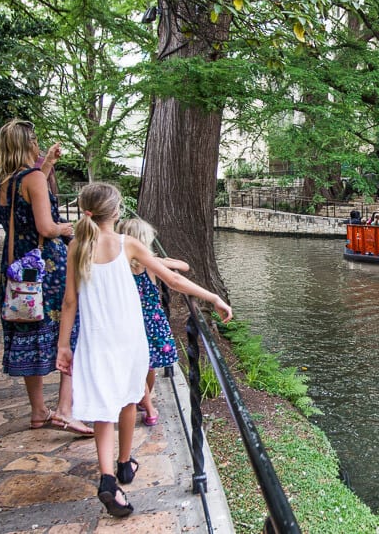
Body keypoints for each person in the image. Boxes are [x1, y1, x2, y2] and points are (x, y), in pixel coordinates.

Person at [56, 183, 232, 517]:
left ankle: (110, 476)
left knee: (104, 410)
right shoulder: (128, 244)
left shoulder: (76, 247)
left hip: (94, 341)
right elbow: (174, 281)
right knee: (127, 398)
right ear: (117, 211)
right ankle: (125, 464)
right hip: (128, 340)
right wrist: (213, 297)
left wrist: (64, 345)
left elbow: (69, 301)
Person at [0, 119, 92, 436]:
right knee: (70, 330)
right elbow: (46, 227)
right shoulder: (32, 178)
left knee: (27, 331)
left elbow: (24, 204)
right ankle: (64, 409)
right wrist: (68, 228)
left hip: (18, 268)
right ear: (28, 144)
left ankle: (37, 411)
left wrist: (47, 165)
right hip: (46, 267)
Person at [117, 218, 188, 426]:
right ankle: (146, 404)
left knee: (135, 365)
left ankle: (142, 398)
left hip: (129, 321)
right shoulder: (152, 264)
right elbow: (184, 266)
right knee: (149, 366)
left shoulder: (118, 265)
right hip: (152, 321)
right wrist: (166, 260)